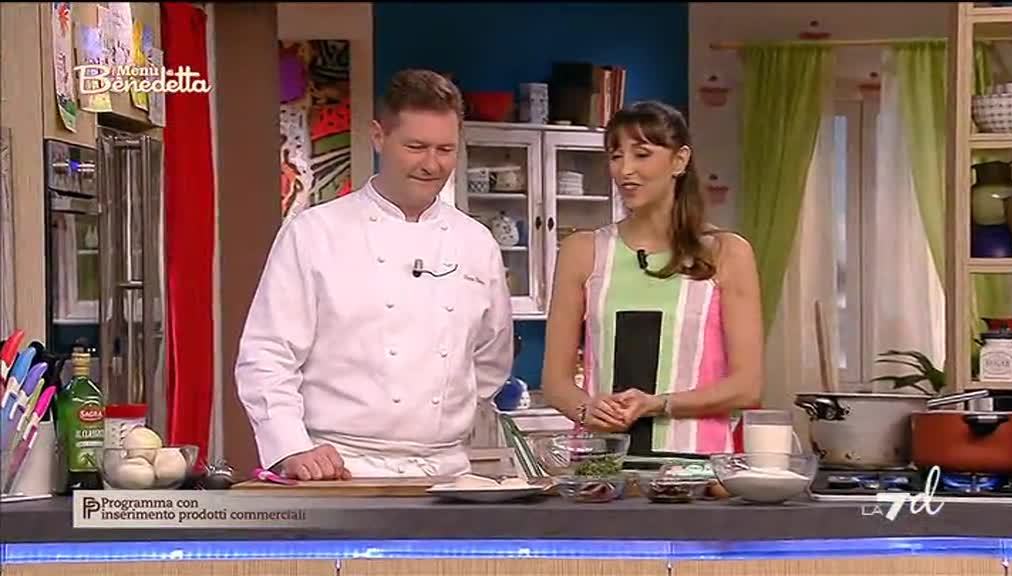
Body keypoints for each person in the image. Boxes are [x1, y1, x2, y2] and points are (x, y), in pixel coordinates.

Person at [236, 69, 514, 480]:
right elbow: (267, 355)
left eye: (445, 149)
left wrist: (442, 423)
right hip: (339, 469)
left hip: (447, 473)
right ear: (379, 136)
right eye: (416, 147)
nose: (431, 164)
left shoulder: (477, 243)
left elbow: (491, 359)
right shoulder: (315, 233)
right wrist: (291, 447)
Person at [541, 101, 763, 456]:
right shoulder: (582, 251)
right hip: (603, 468)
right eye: (616, 156)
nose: (625, 170)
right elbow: (555, 383)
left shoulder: (727, 253)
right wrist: (586, 409)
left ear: (679, 160)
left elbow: (747, 386)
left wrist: (658, 404)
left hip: (696, 468)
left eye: (642, 154)